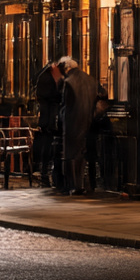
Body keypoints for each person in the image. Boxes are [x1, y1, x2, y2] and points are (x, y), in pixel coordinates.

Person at [58, 56, 99, 196]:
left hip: (72, 122)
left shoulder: (68, 82)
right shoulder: (90, 80)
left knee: (70, 154)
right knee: (83, 153)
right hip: (88, 121)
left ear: (67, 67)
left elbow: (65, 105)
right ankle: (83, 184)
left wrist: (61, 118)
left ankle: (73, 185)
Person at [34, 60, 64, 189]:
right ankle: (46, 174)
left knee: (49, 147)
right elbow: (50, 99)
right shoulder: (47, 79)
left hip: (49, 119)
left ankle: (47, 174)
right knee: (48, 148)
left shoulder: (47, 76)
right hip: (49, 120)